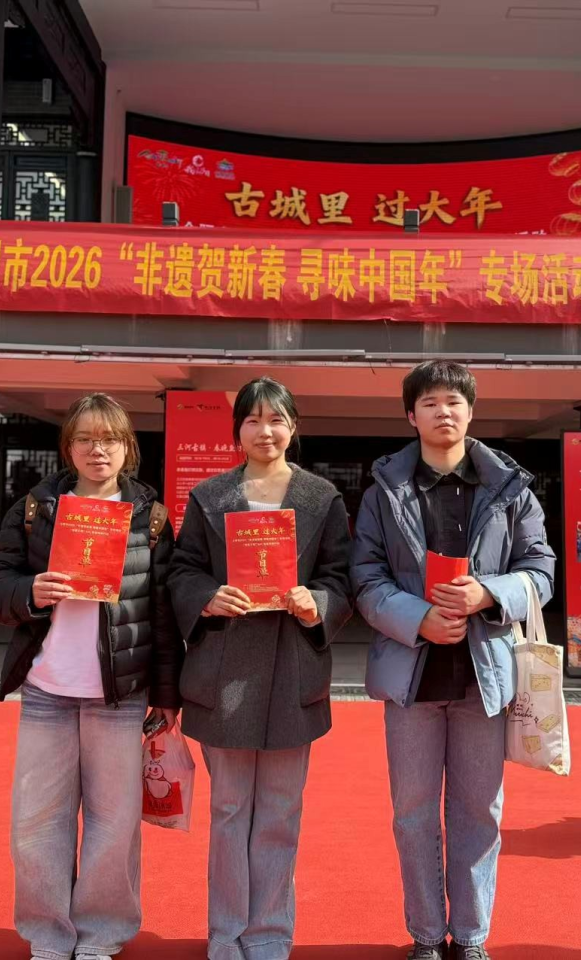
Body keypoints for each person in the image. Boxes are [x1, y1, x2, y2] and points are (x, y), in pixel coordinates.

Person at [351, 361, 555, 960]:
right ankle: (424, 935)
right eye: (431, 403)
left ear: (471, 412)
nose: (444, 412)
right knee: (413, 814)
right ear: (410, 416)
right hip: (410, 676)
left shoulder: (510, 490)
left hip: (483, 679)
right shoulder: (384, 493)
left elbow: (541, 571)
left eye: (455, 402)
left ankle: (469, 936)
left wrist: (488, 593)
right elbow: (365, 578)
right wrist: (419, 618)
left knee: (479, 812)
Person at [0, 392, 182, 960]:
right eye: (87, 438)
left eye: (111, 438)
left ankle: (100, 934)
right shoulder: (36, 509)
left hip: (119, 694)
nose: (99, 449)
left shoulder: (151, 517)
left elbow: (163, 614)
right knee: (37, 821)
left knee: (114, 824)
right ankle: (48, 934)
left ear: (128, 447)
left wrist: (167, 694)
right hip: (47, 687)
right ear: (68, 447)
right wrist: (30, 590)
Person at [169, 377, 353, 960]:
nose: (265, 431)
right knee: (228, 811)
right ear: (238, 431)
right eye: (253, 420)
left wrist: (316, 602)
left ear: (293, 428)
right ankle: (226, 933)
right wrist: (206, 596)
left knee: (279, 811)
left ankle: (270, 933)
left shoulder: (322, 497)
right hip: (224, 671)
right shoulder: (210, 496)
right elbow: (182, 569)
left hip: (292, 670)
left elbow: (341, 577)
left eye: (276, 420)